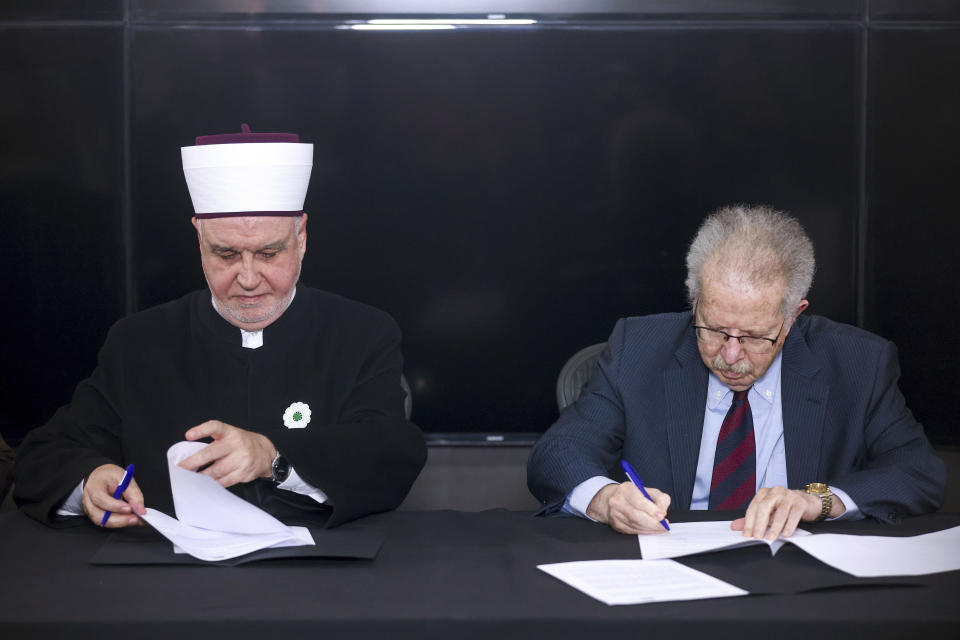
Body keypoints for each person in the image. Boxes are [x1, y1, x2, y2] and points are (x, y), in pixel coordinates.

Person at [14, 124, 426, 529]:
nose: (247, 278)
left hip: (318, 573)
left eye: (268, 253)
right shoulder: (138, 342)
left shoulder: (360, 333)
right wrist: (90, 481)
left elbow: (391, 450)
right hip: (166, 578)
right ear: (199, 240)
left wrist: (272, 455)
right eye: (226, 254)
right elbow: (46, 453)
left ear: (300, 237)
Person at [527, 205, 945, 539]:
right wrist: (605, 498)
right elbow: (558, 453)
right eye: (713, 329)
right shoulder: (637, 348)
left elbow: (917, 471)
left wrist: (816, 500)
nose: (729, 354)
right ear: (695, 301)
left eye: (754, 336)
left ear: (794, 316)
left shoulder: (858, 363)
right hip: (670, 573)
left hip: (795, 581)